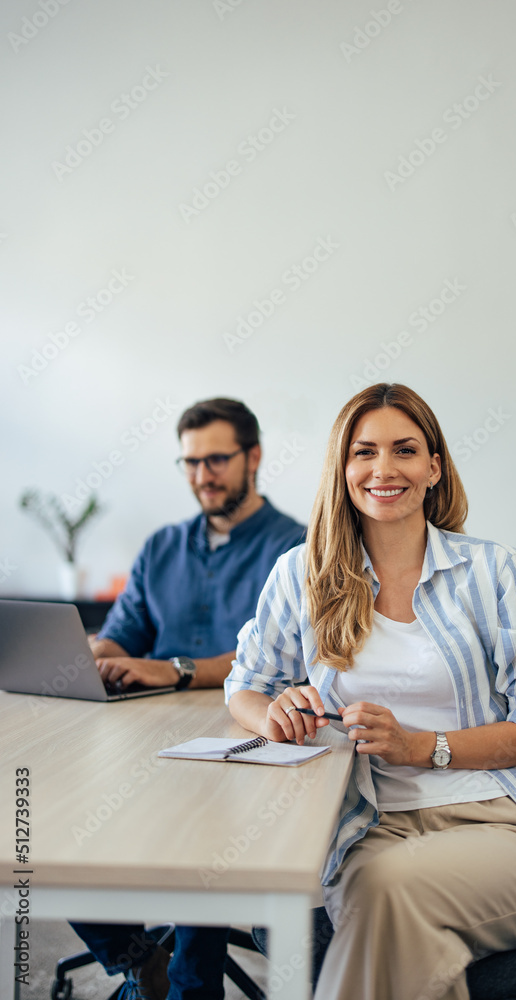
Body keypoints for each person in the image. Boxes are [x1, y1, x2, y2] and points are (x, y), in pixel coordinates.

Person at [225, 383, 516, 1000]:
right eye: (364, 452)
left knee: (385, 899)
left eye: (404, 450)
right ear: (342, 468)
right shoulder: (302, 572)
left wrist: (422, 746)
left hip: (503, 827)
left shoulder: (493, 571)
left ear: (434, 467)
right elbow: (244, 686)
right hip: (366, 828)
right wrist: (271, 712)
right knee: (395, 916)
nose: (383, 469)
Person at [70, 397, 305, 1000]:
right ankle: (137, 959)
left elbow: (285, 663)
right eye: (192, 462)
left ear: (253, 457)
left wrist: (172, 670)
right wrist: (95, 655)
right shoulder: (161, 547)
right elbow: (125, 636)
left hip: (249, 739)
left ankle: (190, 985)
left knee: (208, 833)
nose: (203, 475)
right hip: (143, 737)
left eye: (217, 459)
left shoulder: (297, 549)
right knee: (47, 823)